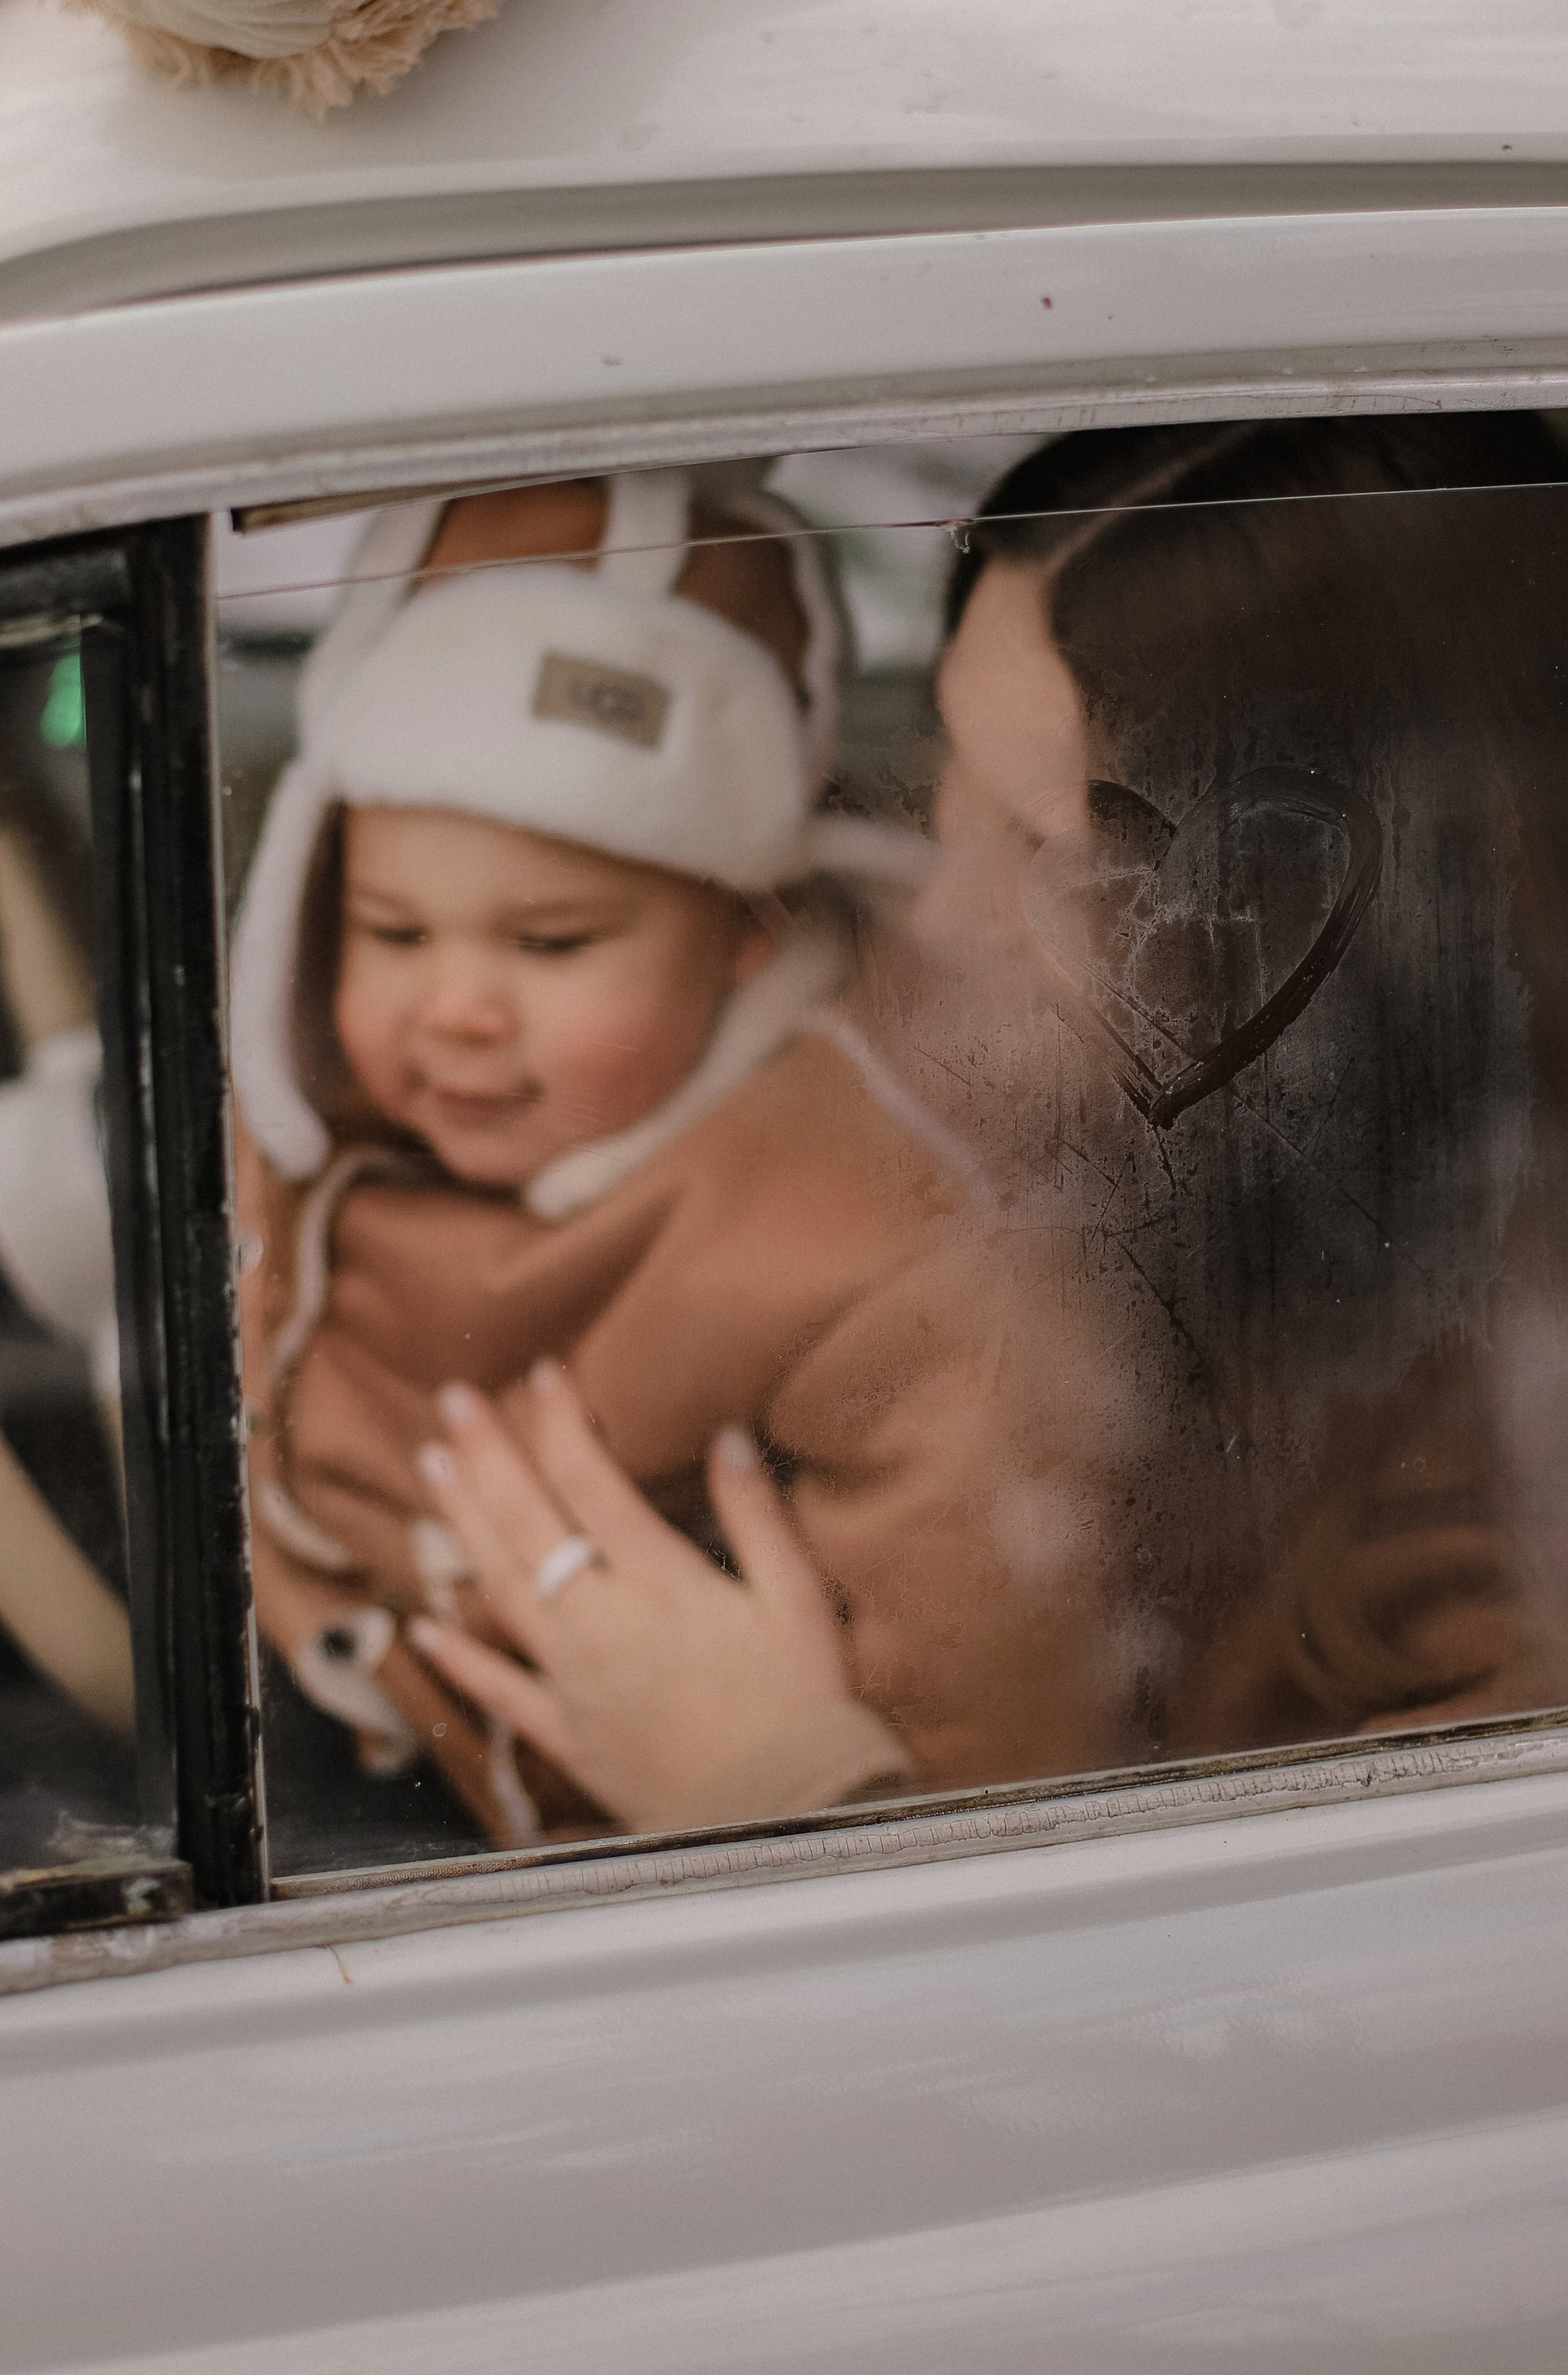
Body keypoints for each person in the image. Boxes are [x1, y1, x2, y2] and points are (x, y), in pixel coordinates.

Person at [407, 412, 1568, 1830]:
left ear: (1310, 913)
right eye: (942, 767)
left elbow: (1391, 1962)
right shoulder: (1174, 1190)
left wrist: (777, 1791)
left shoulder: (1508, 1466)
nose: (945, 912)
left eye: (1041, 844)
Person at [233, 468, 1136, 1850]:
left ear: (742, 938)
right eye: (392, 931)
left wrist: (798, 1797)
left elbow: (992, 1693)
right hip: (328, 1712)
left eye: (552, 944)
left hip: (647, 1847)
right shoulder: (323, 1119)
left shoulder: (870, 1246)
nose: (454, 1009)